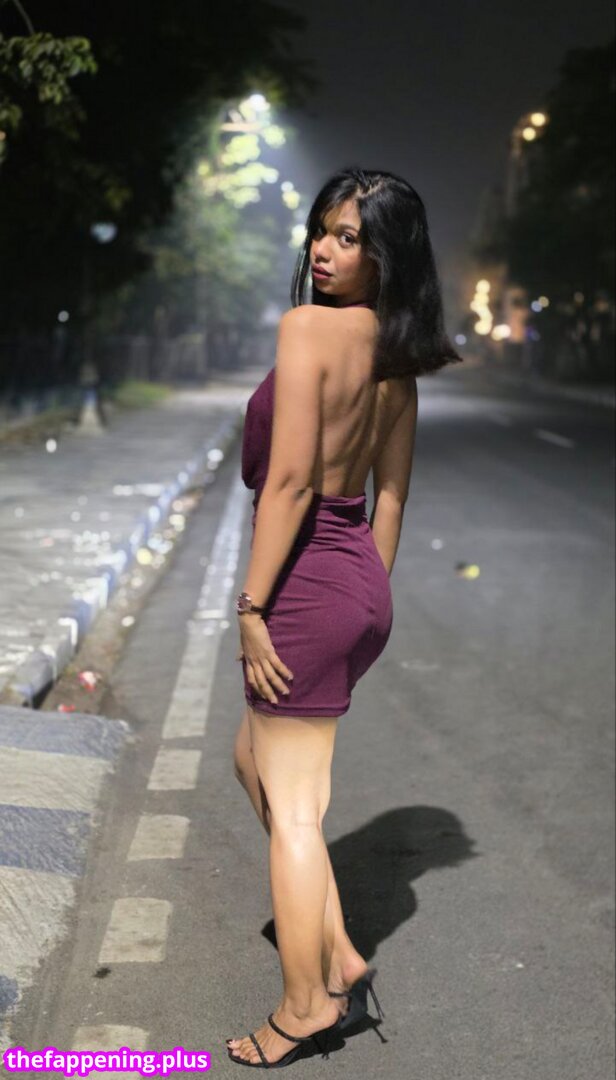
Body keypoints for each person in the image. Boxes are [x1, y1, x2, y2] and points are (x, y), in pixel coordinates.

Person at [227, 166, 463, 1068]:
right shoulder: (397, 362)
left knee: (293, 809)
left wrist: (255, 605)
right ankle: (340, 952)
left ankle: (306, 1007)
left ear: (385, 256)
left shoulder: (308, 330)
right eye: (322, 231)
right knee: (252, 759)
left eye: (349, 237)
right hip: (359, 582)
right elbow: (389, 499)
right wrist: (366, 598)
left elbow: (290, 482)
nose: (324, 250)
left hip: (306, 581)